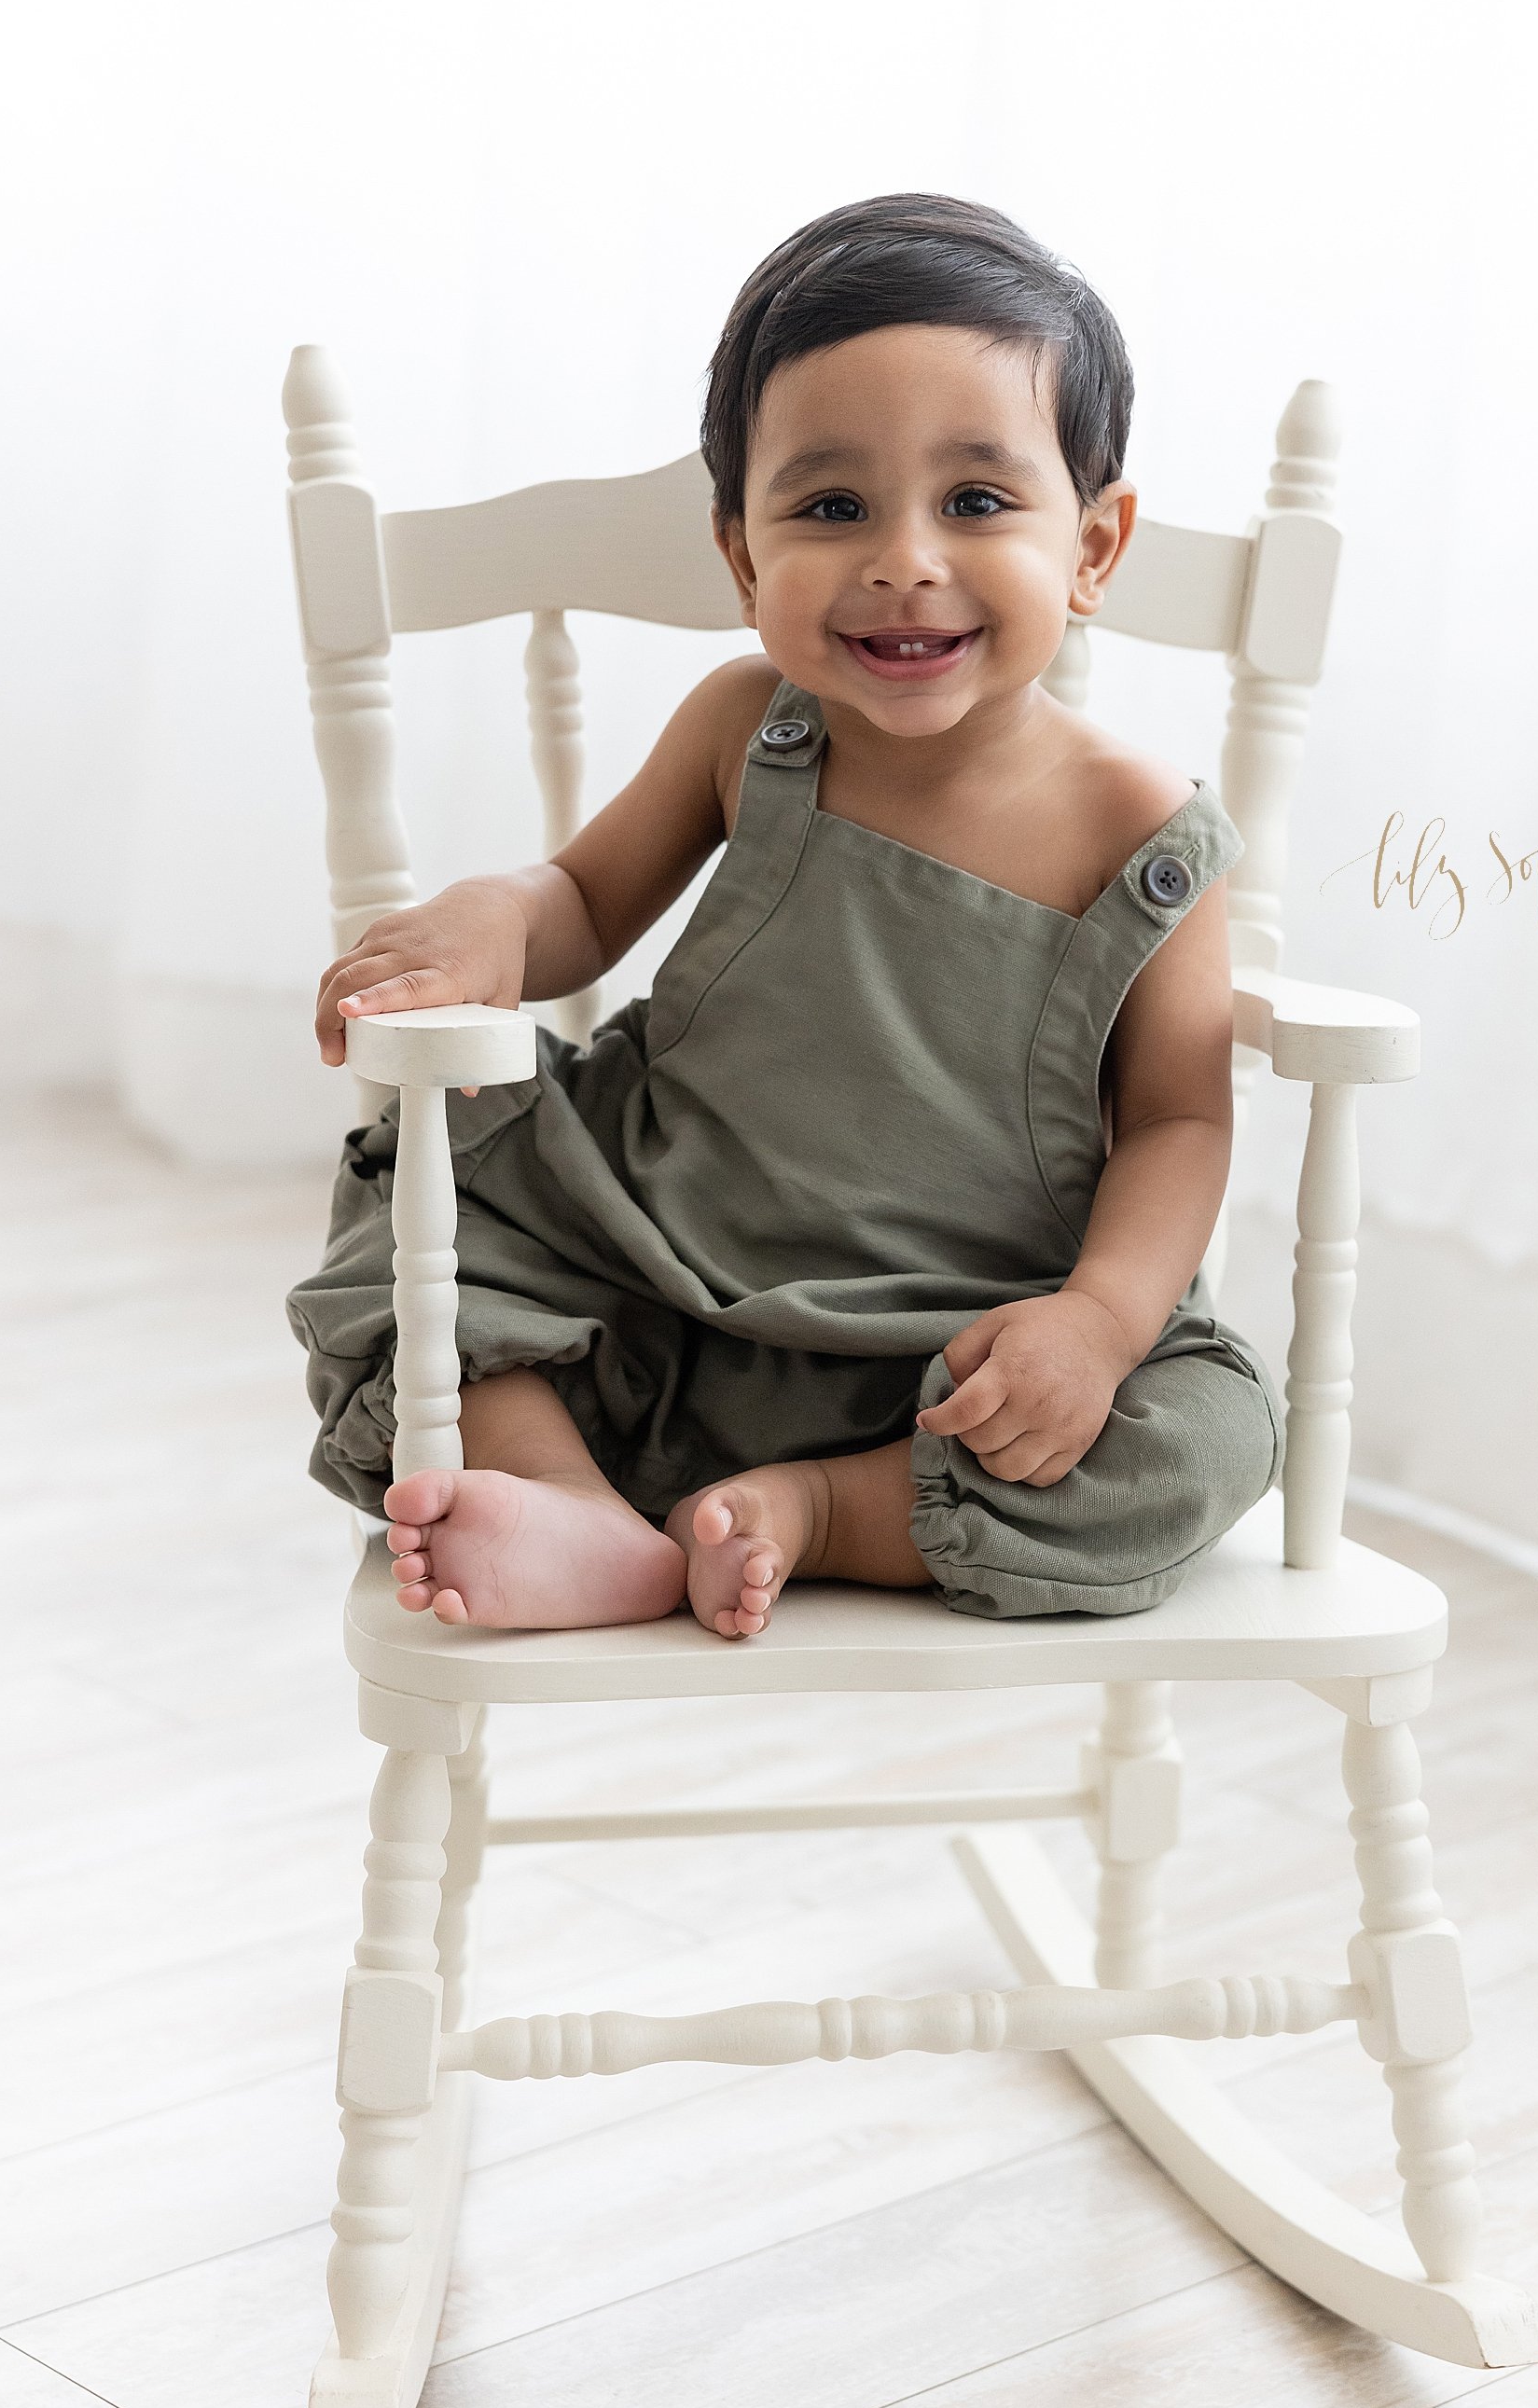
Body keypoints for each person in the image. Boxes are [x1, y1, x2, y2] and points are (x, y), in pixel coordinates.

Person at [287, 192, 1283, 1640]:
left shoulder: (1144, 836)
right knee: (419, 1201)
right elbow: (583, 898)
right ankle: (566, 1499)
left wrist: (1096, 1324)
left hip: (947, 1346)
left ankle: (822, 1509)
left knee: (1209, 1431)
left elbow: (1185, 1124)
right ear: (745, 557)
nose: (903, 558)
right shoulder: (752, 727)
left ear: (1095, 545)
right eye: (830, 508)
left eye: (979, 500)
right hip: (647, 1255)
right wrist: (495, 921)